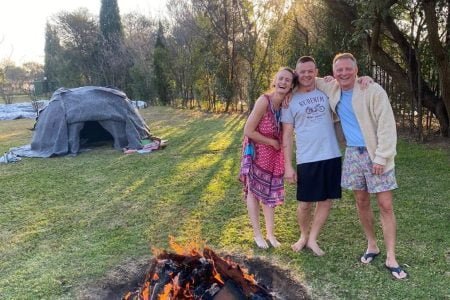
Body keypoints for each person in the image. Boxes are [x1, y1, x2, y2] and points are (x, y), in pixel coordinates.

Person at [317, 52, 407, 279]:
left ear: (357, 70)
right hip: (352, 155)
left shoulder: (372, 90)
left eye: (348, 69)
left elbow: (387, 125)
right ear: (334, 72)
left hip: (375, 154)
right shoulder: (333, 88)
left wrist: (381, 157)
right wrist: (284, 93)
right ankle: (372, 245)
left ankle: (391, 257)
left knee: (385, 205)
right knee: (361, 201)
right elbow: (306, 78)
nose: (344, 73)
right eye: (339, 70)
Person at [281, 56, 342, 256]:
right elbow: (287, 135)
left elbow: (349, 83)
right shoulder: (289, 101)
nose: (306, 74)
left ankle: (313, 239)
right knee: (304, 203)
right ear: (297, 73)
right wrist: (288, 166)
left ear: (315, 71)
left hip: (331, 155)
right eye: (302, 71)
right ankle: (303, 235)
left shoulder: (326, 91)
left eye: (310, 71)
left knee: (326, 200)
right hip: (307, 158)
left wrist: (364, 79)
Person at [239, 67, 295, 249]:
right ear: (274, 80)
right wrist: (270, 142)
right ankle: (257, 234)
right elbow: (248, 130)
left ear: (291, 85)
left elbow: (309, 80)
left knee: (269, 193)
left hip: (272, 156)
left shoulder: (286, 104)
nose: (283, 82)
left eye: (287, 80)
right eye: (280, 78)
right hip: (256, 152)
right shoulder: (264, 101)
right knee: (254, 192)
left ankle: (270, 234)